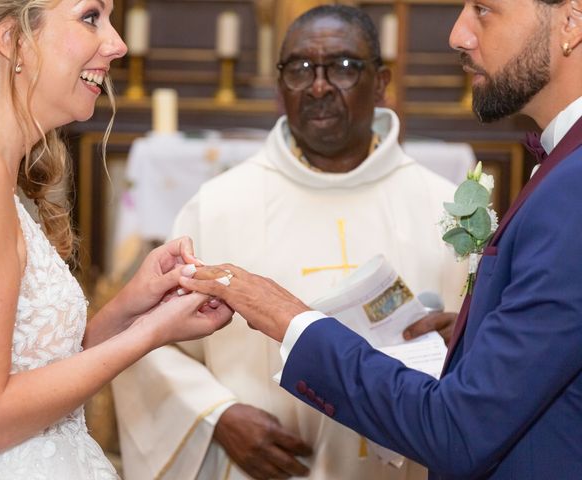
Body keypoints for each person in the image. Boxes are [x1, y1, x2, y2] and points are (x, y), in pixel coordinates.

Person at [181, 0, 582, 478]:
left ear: (571, 21)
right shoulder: (218, 202)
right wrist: (473, 343)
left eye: (483, 8)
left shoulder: (565, 187)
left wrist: (291, 321)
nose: (458, 34)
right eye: (301, 69)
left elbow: (459, 429)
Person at [112, 6, 467, 480]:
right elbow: (148, 342)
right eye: (300, 69)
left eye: (342, 67)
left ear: (381, 82)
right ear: (281, 86)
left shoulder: (447, 210)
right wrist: (217, 415)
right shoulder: (218, 206)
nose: (318, 87)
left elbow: (491, 356)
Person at [0, 1, 233, 478]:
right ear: (10, 38)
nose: (118, 45)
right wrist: (149, 336)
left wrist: (129, 309)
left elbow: (21, 370)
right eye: (90, 16)